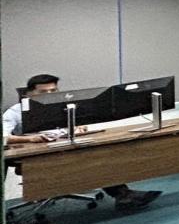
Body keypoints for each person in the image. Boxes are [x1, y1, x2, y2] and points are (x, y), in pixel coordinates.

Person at [3, 73, 160, 213]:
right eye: (43, 92)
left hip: (65, 146)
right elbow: (3, 135)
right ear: (28, 93)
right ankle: (123, 195)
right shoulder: (15, 112)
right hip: (36, 154)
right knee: (89, 160)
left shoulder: (62, 106)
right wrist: (29, 139)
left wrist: (78, 128)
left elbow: (76, 125)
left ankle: (123, 195)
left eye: (53, 91)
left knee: (98, 157)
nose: (49, 95)